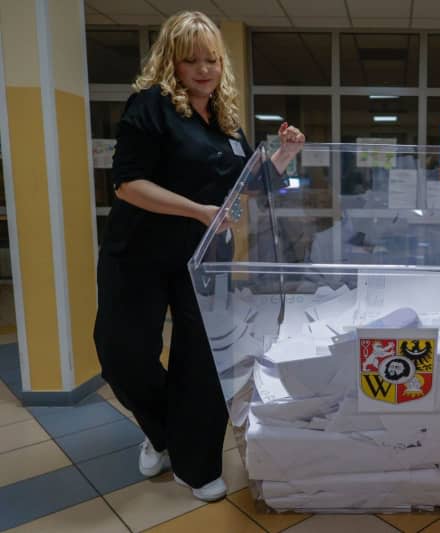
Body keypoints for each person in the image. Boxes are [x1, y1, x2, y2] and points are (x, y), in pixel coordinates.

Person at [92, 11, 304, 502]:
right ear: (172, 61)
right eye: (191, 60)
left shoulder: (225, 118)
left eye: (212, 59)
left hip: (203, 257)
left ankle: (197, 462)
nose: (204, 69)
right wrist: (197, 211)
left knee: (201, 360)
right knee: (122, 354)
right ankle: (164, 431)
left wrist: (284, 156)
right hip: (138, 252)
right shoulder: (150, 107)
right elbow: (127, 183)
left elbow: (245, 188)